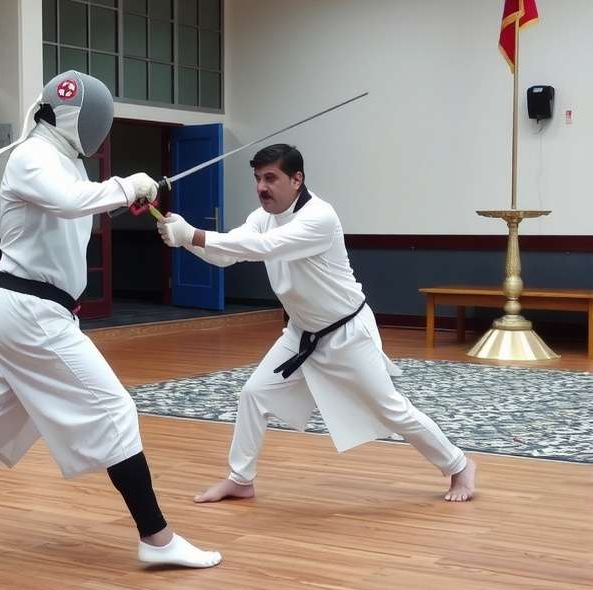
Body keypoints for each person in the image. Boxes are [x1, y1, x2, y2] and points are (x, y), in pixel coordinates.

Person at [0, 70, 221, 569]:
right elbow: (70, 202)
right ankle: (157, 539)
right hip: (30, 312)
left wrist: (127, 198)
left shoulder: (64, 162)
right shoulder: (32, 155)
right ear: (76, 118)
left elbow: (72, 208)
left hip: (28, 312)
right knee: (115, 408)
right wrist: (126, 184)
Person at [157, 143, 476, 504]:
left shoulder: (320, 217)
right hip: (301, 333)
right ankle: (241, 479)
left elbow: (264, 248)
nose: (262, 187)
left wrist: (191, 235)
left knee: (391, 409)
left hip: (347, 333)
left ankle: (459, 465)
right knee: (254, 394)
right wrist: (183, 240)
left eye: (271, 178)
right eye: (258, 178)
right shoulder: (261, 217)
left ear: (297, 179)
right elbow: (228, 254)